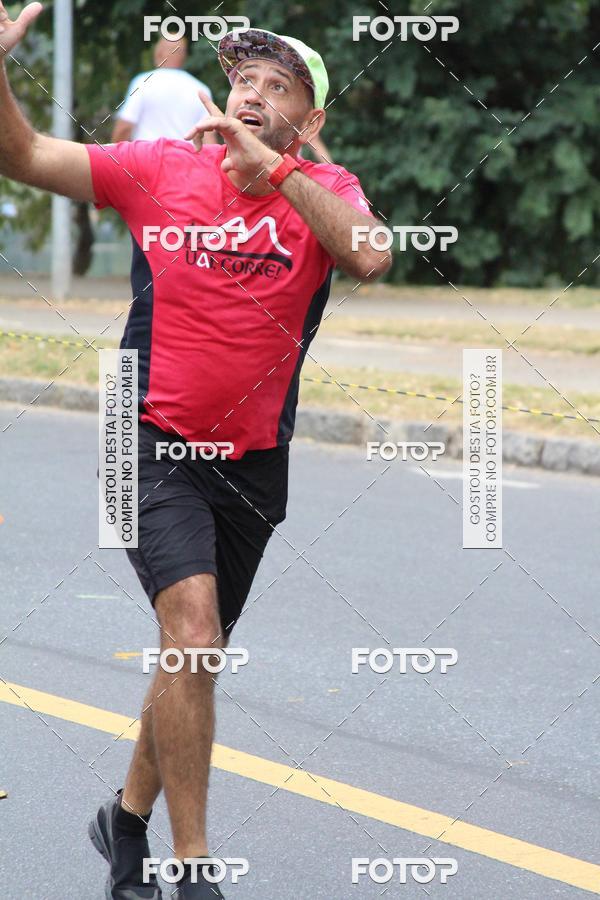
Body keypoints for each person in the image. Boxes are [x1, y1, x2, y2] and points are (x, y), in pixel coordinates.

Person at [0, 6, 391, 898]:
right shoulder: (161, 170)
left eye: (276, 85)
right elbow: (23, 157)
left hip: (254, 461)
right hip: (149, 439)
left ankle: (124, 823)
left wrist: (283, 175)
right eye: (243, 79)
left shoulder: (328, 193)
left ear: (310, 119)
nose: (251, 94)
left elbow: (370, 255)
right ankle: (195, 871)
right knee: (194, 635)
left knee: (193, 661)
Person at [111, 36, 218, 144]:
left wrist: (114, 157)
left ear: (158, 53)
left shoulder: (143, 83)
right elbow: (209, 139)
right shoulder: (201, 89)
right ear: (184, 56)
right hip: (185, 158)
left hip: (146, 157)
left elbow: (124, 128)